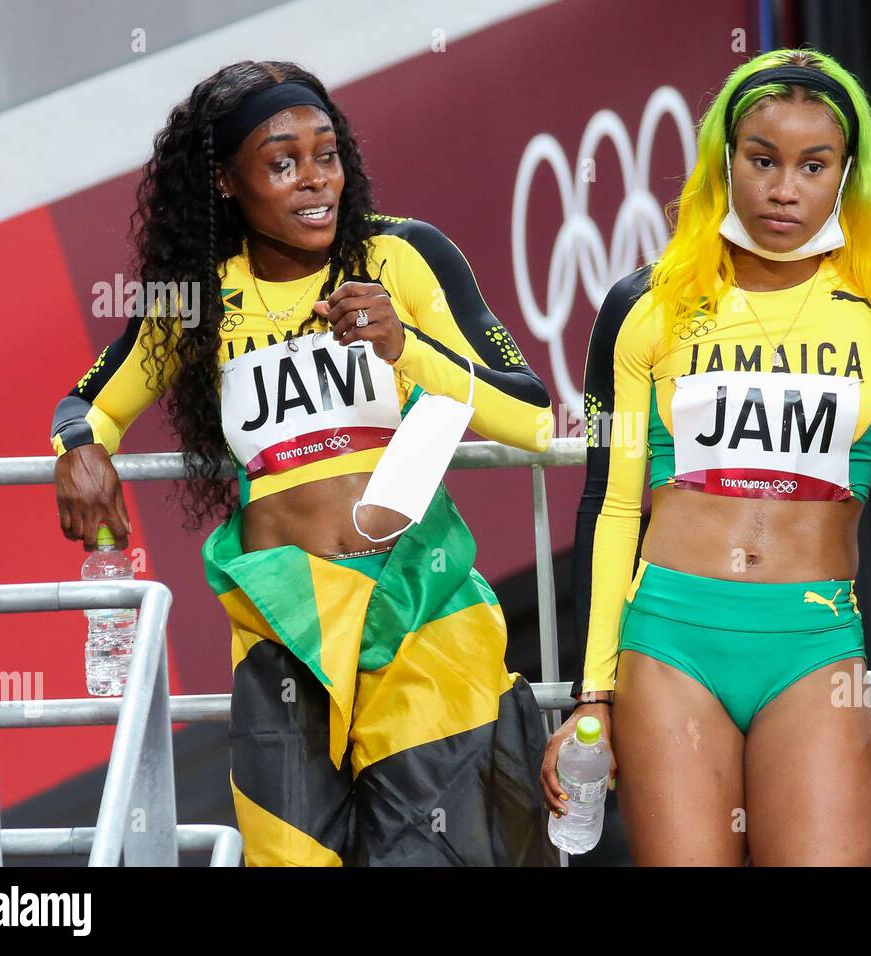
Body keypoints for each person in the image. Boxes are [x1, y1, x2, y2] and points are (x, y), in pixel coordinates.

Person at [544, 47, 871, 865]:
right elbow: (610, 507)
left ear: (848, 175)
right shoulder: (643, 307)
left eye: (812, 165)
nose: (784, 189)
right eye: (762, 161)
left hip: (814, 646)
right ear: (726, 164)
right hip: (668, 644)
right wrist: (593, 696)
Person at [51, 61, 558, 866]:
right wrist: (79, 451)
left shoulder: (404, 255)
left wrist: (405, 348)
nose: (315, 180)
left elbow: (533, 416)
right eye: (281, 163)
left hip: (419, 605)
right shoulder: (197, 295)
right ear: (225, 181)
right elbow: (88, 403)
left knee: (431, 856)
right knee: (289, 859)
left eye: (327, 154)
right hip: (282, 625)